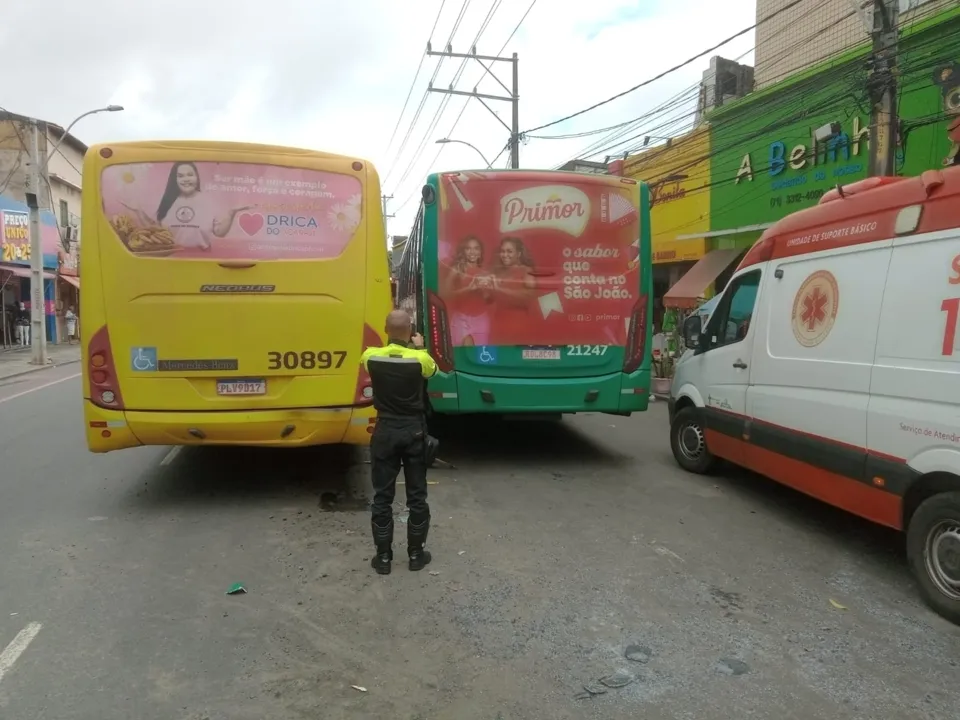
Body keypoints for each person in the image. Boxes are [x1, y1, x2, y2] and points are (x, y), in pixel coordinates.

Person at [360, 309, 438, 575]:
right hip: (414, 431)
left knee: (383, 496)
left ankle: (383, 558)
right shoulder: (420, 359)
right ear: (410, 329)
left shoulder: (371, 356)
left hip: (385, 430)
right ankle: (416, 555)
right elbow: (431, 370)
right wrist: (419, 346)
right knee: (417, 496)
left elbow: (380, 355)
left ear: (385, 329)